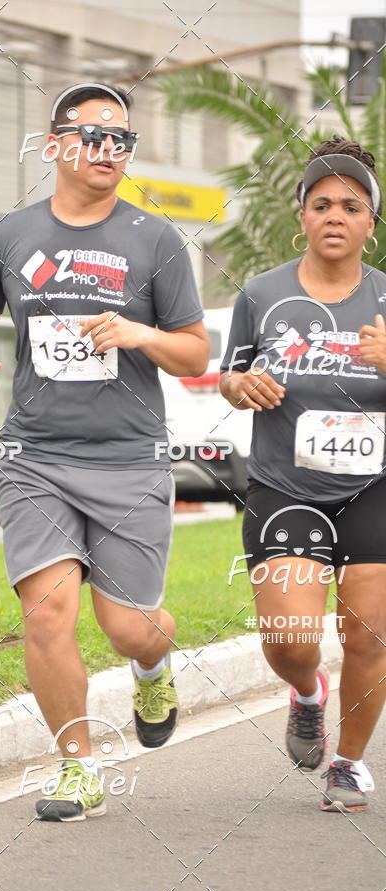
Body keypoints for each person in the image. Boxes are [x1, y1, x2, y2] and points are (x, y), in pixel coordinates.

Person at [0, 83, 209, 821]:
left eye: (121, 138)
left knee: (128, 626)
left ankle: (152, 666)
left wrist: (140, 334)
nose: (108, 150)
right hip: (36, 457)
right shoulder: (7, 236)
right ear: (56, 144)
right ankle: (77, 765)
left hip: (127, 460)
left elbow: (193, 353)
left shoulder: (156, 240)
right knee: (48, 615)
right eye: (93, 136)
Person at [220, 136, 386, 812]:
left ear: (372, 221)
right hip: (287, 487)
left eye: (351, 204)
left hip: (376, 487)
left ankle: (347, 764)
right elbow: (229, 376)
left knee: (369, 634)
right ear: (303, 217)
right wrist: (243, 385)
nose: (335, 215)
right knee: (290, 642)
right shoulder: (262, 294)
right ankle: (307, 692)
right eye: (321, 204)